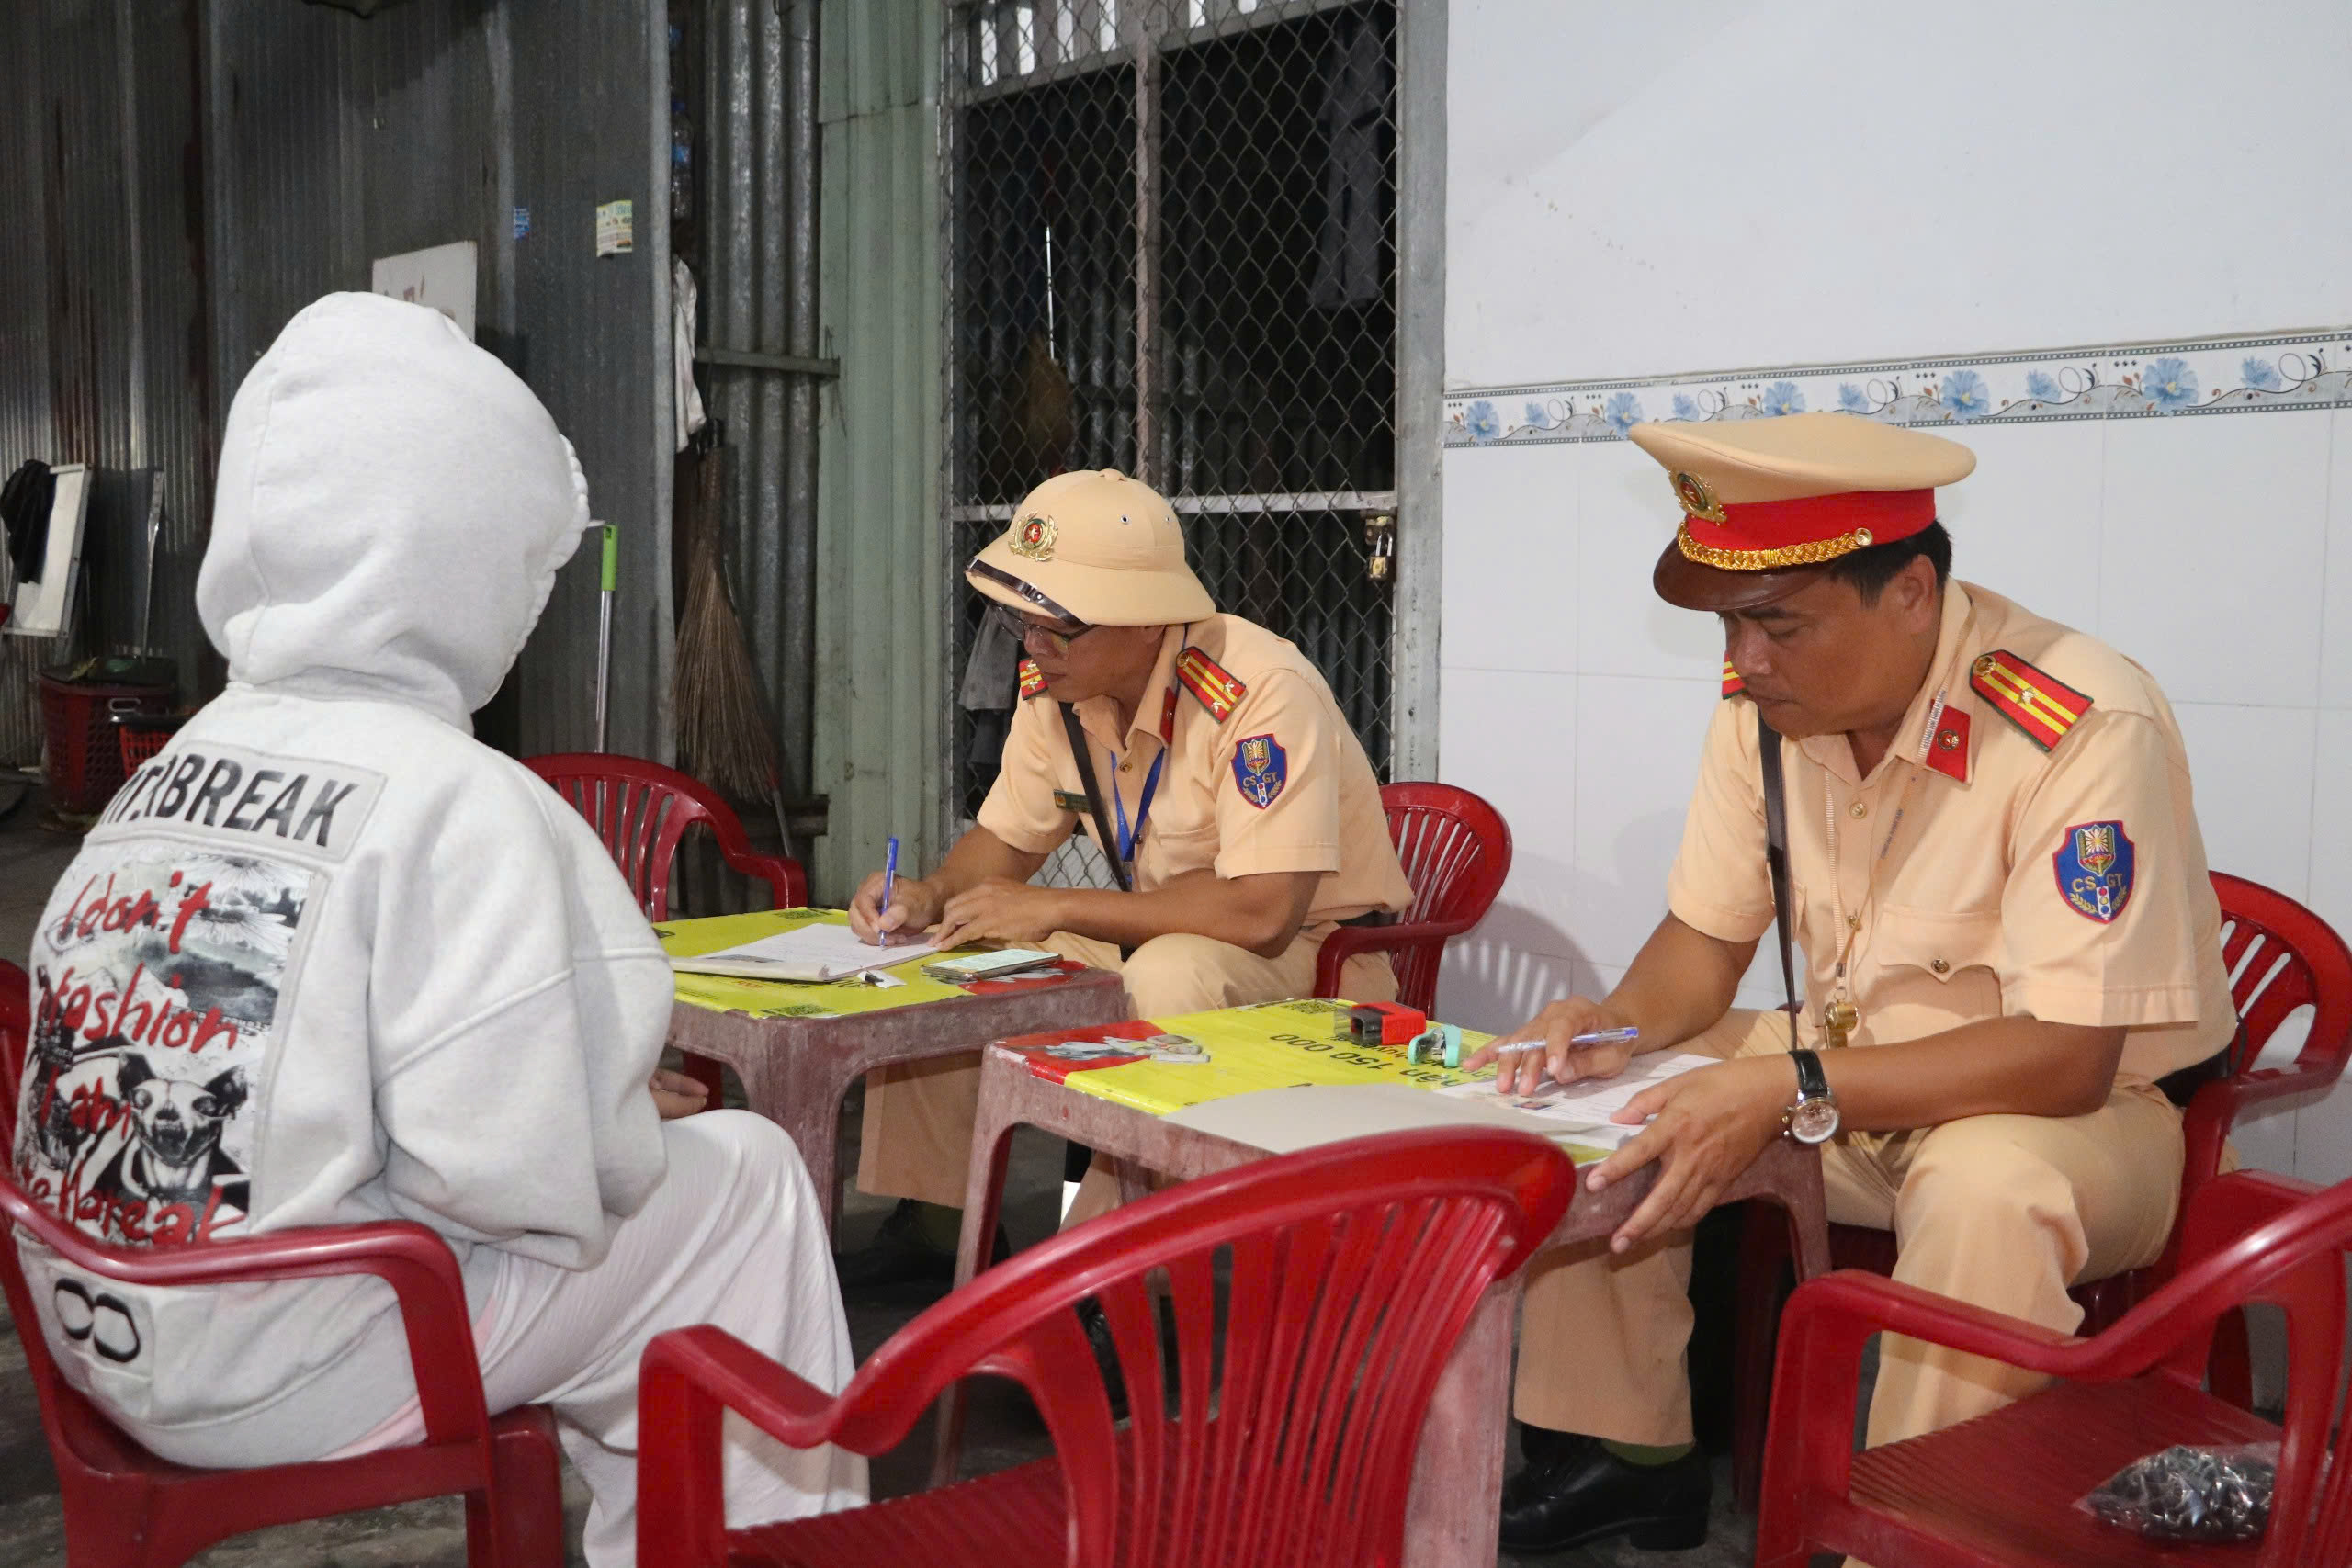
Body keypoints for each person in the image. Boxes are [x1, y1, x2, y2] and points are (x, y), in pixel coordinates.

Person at [9, 293, 865, 1566]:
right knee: (744, 1189)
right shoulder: (454, 796)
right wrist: (610, 1120)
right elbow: (518, 1184)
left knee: (631, 1230)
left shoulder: (160, 768)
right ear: (459, 550)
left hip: (95, 1318)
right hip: (288, 1361)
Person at [1474, 412, 2233, 1556]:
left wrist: (1784, 1081)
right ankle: (1630, 1460)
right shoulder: (1765, 713)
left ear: (1913, 594)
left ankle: (1910, 1534)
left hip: (2075, 1117)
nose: (1743, 661)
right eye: (1730, 625)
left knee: (1986, 1184)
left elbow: (2071, 1057)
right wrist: (1612, 1026)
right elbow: (1703, 941)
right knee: (1607, 1096)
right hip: (1840, 1078)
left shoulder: (2079, 723)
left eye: (1776, 624)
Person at [839, 468, 1414, 1284]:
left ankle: (1113, 1281)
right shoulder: (1062, 689)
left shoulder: (1259, 692)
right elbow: (1003, 839)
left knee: (1171, 976)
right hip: (1158, 933)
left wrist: (1052, 906)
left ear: (1147, 623)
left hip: (1320, 959)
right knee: (956, 943)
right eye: (1020, 618)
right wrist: (928, 895)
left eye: (1057, 625)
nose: (1032, 646)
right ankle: (939, 1226)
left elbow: (1261, 914)